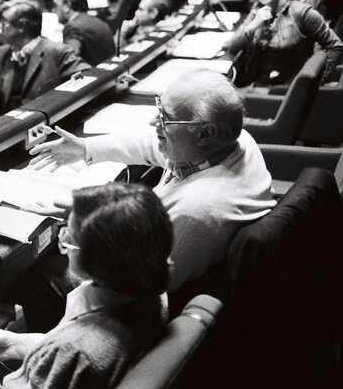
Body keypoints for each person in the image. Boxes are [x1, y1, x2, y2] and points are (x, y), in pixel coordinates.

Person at [22, 70, 275, 331]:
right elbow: (152, 144)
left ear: (204, 133)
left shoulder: (198, 209)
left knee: (43, 273)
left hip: (149, 305)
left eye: (166, 118)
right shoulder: (229, 141)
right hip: (154, 255)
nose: (154, 121)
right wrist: (86, 149)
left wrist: (89, 224)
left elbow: (136, 287)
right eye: (159, 107)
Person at [0, 182, 173, 389]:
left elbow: (72, 354)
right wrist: (16, 344)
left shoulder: (77, 350)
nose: (62, 242)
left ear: (98, 260)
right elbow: (68, 360)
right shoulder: (150, 292)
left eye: (68, 237)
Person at [223, 0, 343, 87]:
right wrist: (253, 25)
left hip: (279, 91)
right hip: (251, 85)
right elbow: (231, 47)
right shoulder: (258, 11)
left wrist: (315, 85)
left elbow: (335, 46)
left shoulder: (301, 12)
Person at [0, 0, 89, 113]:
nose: (0, 28)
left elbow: (88, 78)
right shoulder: (5, 53)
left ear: (22, 26)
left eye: (5, 23)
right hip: (6, 127)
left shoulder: (58, 52)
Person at [53, 0, 115, 65]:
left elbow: (69, 61)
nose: (53, 10)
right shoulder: (100, 22)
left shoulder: (72, 28)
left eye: (55, 5)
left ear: (67, 6)